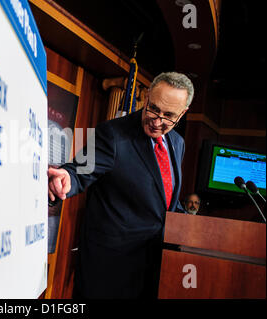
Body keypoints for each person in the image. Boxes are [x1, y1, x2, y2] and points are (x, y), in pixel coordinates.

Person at [48, 72, 194, 299]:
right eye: (154, 109)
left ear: (183, 113)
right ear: (146, 98)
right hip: (110, 269)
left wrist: (193, 226)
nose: (157, 121)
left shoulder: (177, 142)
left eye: (168, 115)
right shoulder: (112, 134)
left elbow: (165, 200)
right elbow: (79, 171)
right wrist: (66, 177)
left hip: (152, 265)